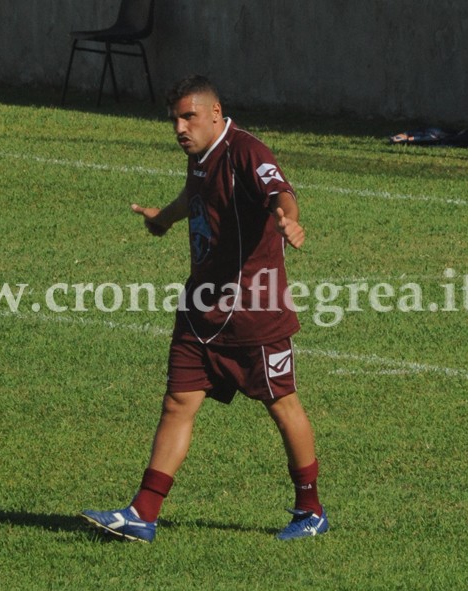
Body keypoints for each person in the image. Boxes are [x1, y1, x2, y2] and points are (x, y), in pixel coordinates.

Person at [81, 75, 327, 542]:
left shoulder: (247, 152)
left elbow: (281, 191)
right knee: (177, 402)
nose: (179, 127)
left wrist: (288, 219)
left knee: (283, 405)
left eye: (188, 116)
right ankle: (143, 514)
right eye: (174, 118)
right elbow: (194, 198)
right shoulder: (199, 157)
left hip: (256, 312)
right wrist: (164, 218)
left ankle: (310, 510)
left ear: (215, 113)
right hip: (201, 308)